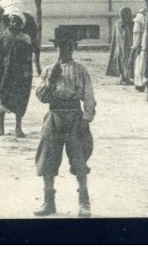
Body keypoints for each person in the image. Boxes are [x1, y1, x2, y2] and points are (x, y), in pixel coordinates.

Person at [32, 29, 95, 218]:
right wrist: (50, 81)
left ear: (74, 48)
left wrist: (86, 118)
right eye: (62, 46)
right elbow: (41, 97)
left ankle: (84, 202)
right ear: (56, 47)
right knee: (47, 157)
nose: (65, 50)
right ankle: (48, 201)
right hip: (54, 115)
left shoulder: (80, 70)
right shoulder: (49, 70)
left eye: (69, 46)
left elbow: (89, 97)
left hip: (75, 116)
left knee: (78, 157)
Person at [0, 13, 35, 138]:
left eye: (17, 22)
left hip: (19, 74)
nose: (13, 24)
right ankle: (1, 127)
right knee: (1, 98)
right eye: (12, 21)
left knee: (19, 99)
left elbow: (29, 58)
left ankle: (18, 127)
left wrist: (27, 74)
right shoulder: (3, 38)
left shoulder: (25, 39)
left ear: (21, 25)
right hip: (4, 73)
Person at [105, 7, 135, 86]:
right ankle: (125, 78)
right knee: (126, 61)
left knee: (123, 61)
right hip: (125, 47)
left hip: (120, 47)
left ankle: (124, 78)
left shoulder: (118, 23)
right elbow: (128, 35)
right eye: (129, 13)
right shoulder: (128, 24)